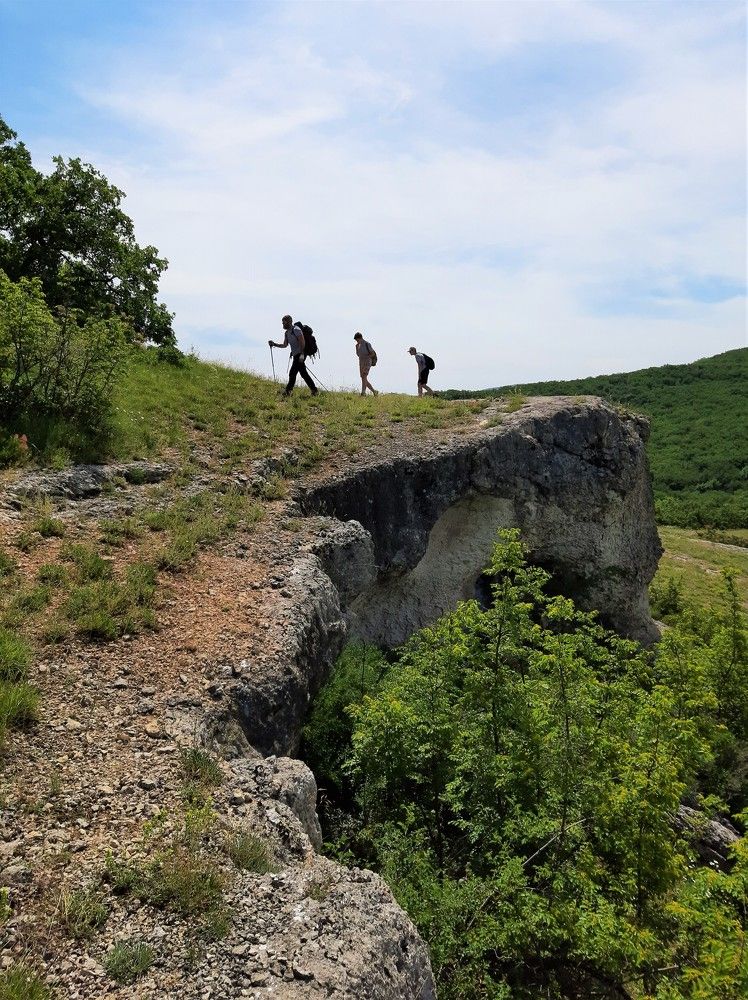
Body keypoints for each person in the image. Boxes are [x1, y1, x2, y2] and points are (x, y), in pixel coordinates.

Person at [269, 315, 318, 397]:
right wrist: (274, 344)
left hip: (301, 354)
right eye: (282, 323)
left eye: (284, 323)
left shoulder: (296, 330)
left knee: (292, 372)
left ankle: (288, 391)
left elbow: (302, 342)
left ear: (289, 322)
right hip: (296, 355)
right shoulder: (287, 333)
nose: (283, 325)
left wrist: (302, 354)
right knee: (303, 373)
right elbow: (285, 345)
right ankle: (314, 390)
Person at [353, 332, 378, 396]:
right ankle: (374, 392)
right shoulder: (358, 345)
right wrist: (356, 348)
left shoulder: (367, 344)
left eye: (357, 340)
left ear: (360, 338)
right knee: (363, 378)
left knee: (364, 376)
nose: (357, 341)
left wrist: (366, 357)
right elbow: (359, 355)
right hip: (361, 363)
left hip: (367, 362)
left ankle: (363, 393)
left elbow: (372, 353)